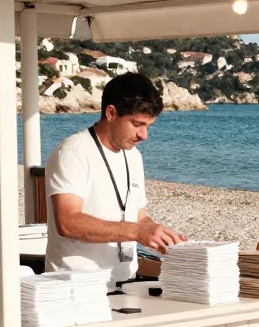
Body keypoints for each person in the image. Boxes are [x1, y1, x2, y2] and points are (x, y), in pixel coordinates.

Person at [44, 72, 186, 284]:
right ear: (111, 112)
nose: (144, 135)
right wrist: (138, 232)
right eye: (137, 124)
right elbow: (67, 222)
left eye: (148, 126)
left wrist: (160, 235)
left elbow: (138, 218)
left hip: (124, 282)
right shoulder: (73, 152)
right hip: (75, 285)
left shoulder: (134, 155)